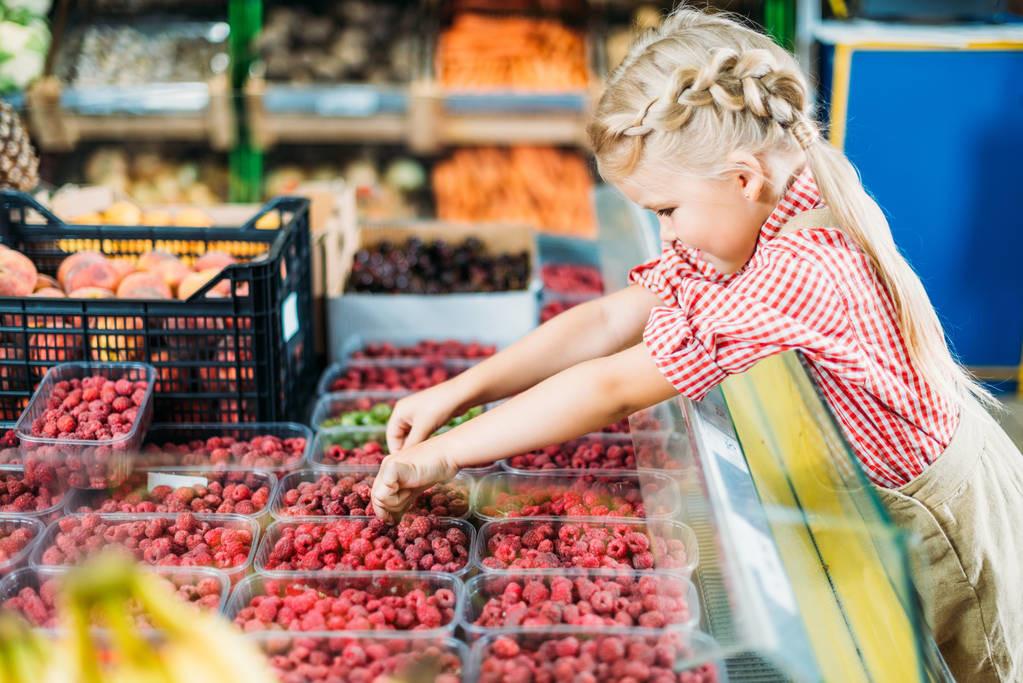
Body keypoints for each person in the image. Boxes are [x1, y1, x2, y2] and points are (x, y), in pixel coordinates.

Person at [369, 7, 1022, 680]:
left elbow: (611, 385)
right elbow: (608, 322)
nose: (667, 234)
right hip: (864, 493)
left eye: (664, 210)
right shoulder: (750, 203)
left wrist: (444, 454)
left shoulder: (802, 271)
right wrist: (460, 390)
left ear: (740, 177)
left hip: (935, 527)